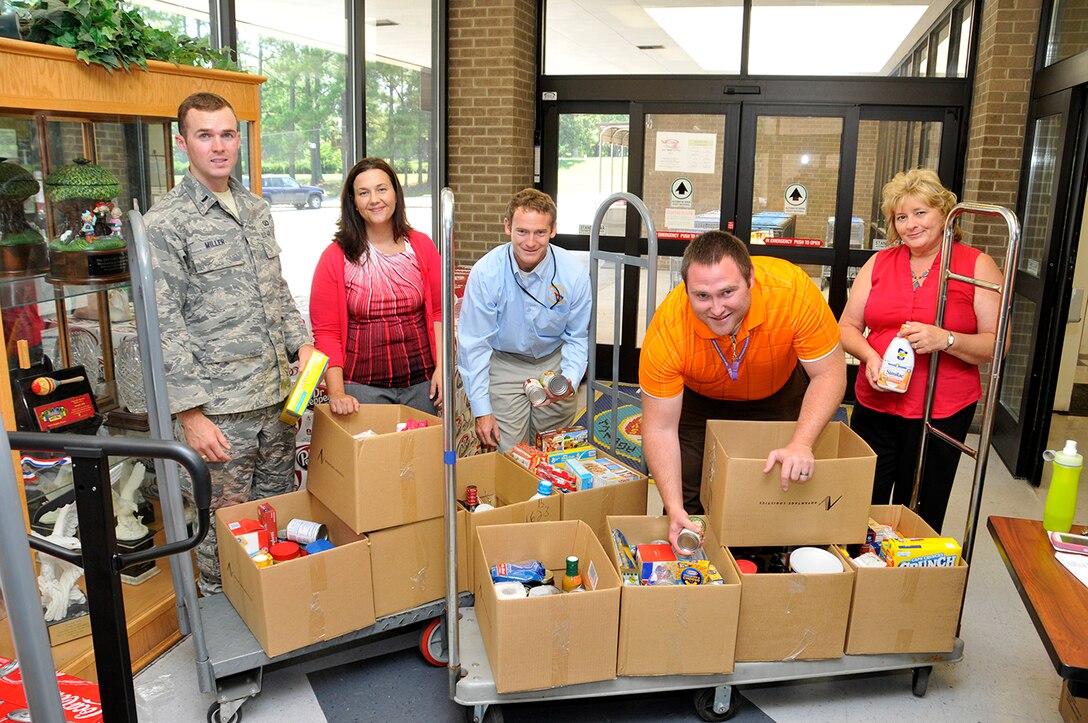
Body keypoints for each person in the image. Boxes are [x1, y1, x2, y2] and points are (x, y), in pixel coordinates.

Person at [145, 92, 314, 594]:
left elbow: (276, 288)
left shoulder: (256, 209)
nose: (218, 146)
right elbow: (163, 322)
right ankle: (223, 620)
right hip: (220, 413)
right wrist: (190, 414)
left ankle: (271, 609)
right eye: (204, 135)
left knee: (276, 513)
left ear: (238, 139)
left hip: (276, 400)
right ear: (182, 143)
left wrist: (301, 345)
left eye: (226, 134)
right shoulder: (166, 223)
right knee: (223, 526)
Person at [639, 230, 846, 553]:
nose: (717, 308)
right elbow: (659, 428)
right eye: (702, 296)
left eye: (727, 292)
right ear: (686, 290)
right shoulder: (668, 327)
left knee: (775, 485)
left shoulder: (791, 289)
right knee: (687, 497)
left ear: (750, 278)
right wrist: (674, 506)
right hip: (699, 399)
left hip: (777, 390)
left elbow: (830, 373)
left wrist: (802, 443)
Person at [839, 168, 1002, 533]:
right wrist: (870, 357)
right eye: (901, 217)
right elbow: (847, 327)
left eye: (920, 212)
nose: (910, 225)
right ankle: (862, 573)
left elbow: (998, 343)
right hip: (875, 403)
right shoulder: (879, 263)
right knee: (864, 503)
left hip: (940, 411)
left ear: (945, 214)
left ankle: (911, 582)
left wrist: (947, 339)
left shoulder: (976, 265)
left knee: (921, 509)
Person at [457, 188, 591, 453]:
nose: (530, 242)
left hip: (555, 362)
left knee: (552, 451)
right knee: (510, 454)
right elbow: (474, 344)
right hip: (505, 364)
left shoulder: (573, 273)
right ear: (508, 227)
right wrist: (482, 409)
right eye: (522, 232)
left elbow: (577, 337)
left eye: (540, 232)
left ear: (553, 230)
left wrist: (570, 380)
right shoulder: (486, 273)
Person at [309, 157, 442, 416]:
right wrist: (337, 393)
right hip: (361, 389)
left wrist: (442, 369)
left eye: (382, 189)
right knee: (374, 458)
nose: (374, 199)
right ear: (354, 203)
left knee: (420, 457)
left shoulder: (422, 246)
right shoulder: (336, 256)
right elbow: (327, 333)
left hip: (423, 385)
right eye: (363, 193)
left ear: (395, 193)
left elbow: (439, 313)